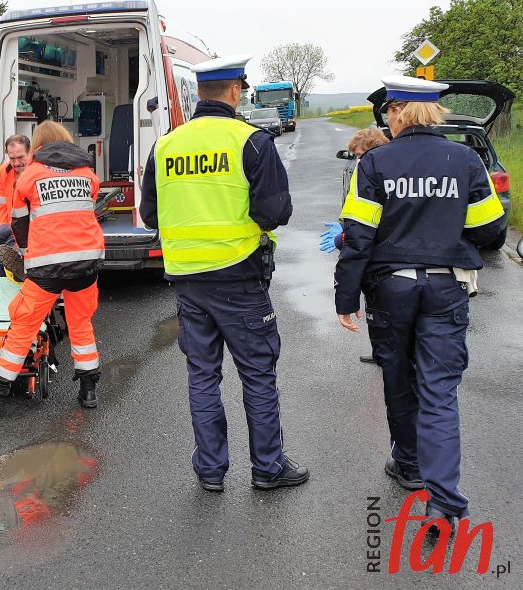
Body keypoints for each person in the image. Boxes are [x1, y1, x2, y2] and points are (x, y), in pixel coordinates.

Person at [334, 76, 505, 534]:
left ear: (396, 113)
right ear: (434, 113)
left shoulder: (375, 163)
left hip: (391, 289)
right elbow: (491, 230)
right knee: (439, 391)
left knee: (397, 375)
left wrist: (345, 297)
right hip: (446, 287)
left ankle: (408, 464)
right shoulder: (466, 160)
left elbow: (357, 239)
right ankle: (445, 505)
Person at [139, 55, 308, 492]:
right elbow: (274, 213)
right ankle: (268, 468)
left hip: (187, 283)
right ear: (236, 91)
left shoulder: (166, 145)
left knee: (202, 376)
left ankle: (211, 470)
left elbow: (149, 213)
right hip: (239, 280)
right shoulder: (251, 142)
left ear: (199, 93)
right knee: (257, 374)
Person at [0, 121, 104, 420]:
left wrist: (25, 255)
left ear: (37, 146)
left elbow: (20, 224)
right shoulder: (88, 175)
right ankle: (88, 390)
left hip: (48, 264)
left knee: (23, 327)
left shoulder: (30, 176)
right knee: (81, 324)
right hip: (88, 262)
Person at [319, 127, 390, 364]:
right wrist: (344, 227)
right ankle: (382, 352)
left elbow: (361, 238)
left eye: (360, 155)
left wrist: (343, 238)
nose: (358, 161)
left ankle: (385, 355)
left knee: (382, 310)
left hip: (380, 259)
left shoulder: (375, 173)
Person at [0, 135, 31, 276]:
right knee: (1, 259)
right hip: (13, 227)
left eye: (20, 157)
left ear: (29, 153)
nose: (16, 163)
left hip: (36, 227)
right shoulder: (1, 173)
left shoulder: (37, 172)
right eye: (12, 158)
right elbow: (1, 208)